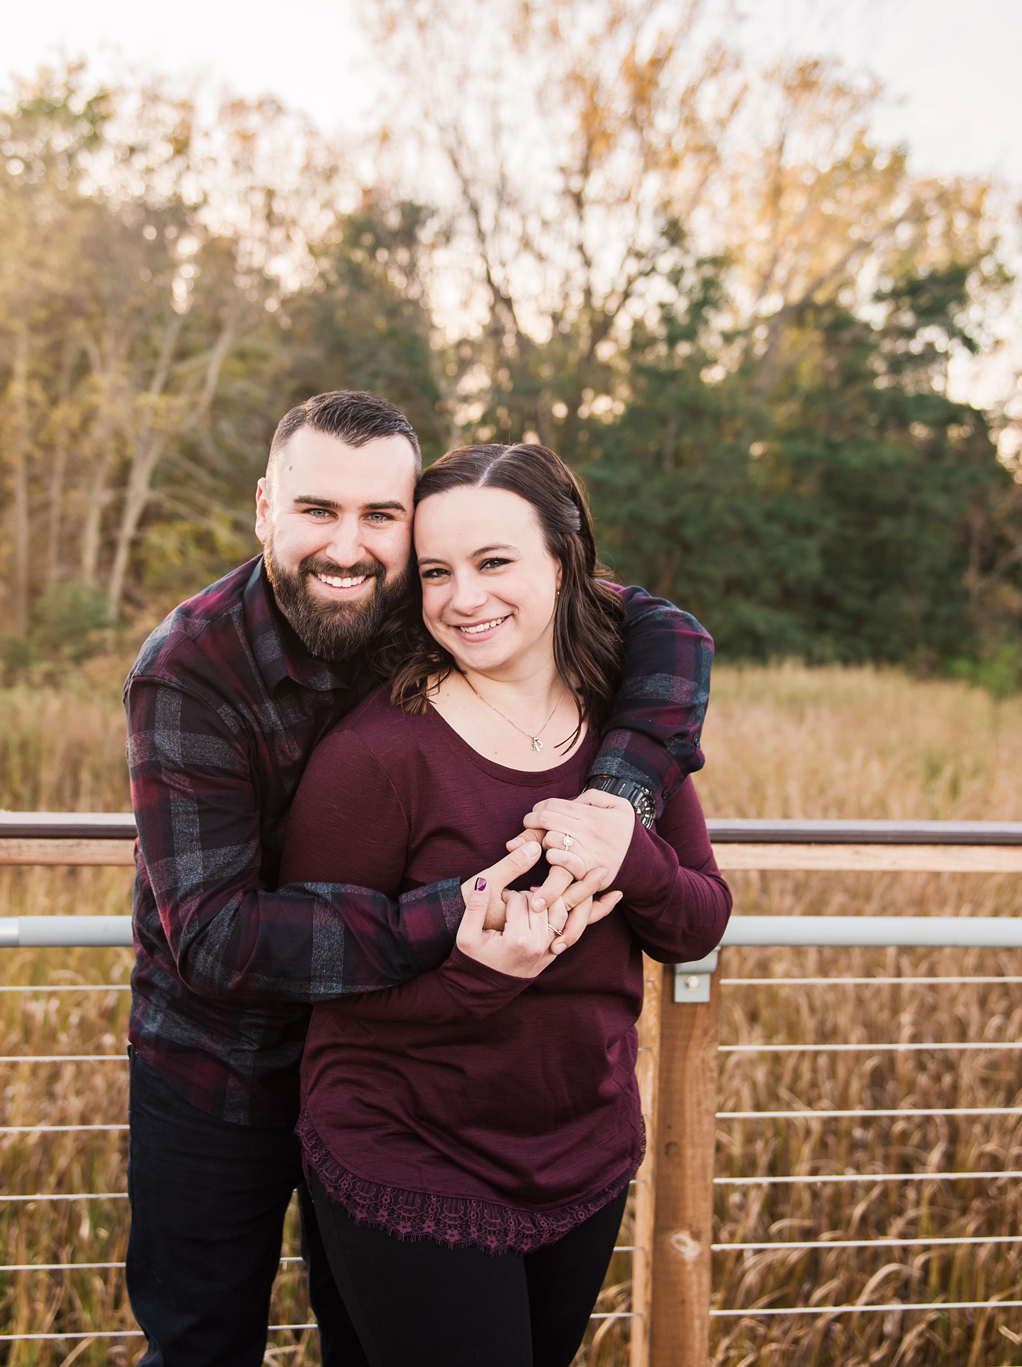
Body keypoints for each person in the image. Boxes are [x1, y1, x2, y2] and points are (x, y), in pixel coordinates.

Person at [122, 392, 714, 1367]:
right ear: (266, 507)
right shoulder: (189, 669)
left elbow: (668, 633)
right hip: (220, 1059)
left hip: (388, 1072)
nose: (347, 544)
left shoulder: (436, 599)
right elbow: (218, 938)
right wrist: (466, 907)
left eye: (379, 515)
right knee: (201, 1342)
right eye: (317, 509)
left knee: (368, 1339)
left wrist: (616, 802)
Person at [276, 441, 732, 1367]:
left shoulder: (627, 733)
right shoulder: (378, 754)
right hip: (410, 1151)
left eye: (494, 562)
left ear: (564, 563)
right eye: (437, 571)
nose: (463, 598)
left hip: (585, 1156)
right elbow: (320, 991)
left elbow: (697, 920)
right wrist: (476, 979)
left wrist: (627, 853)